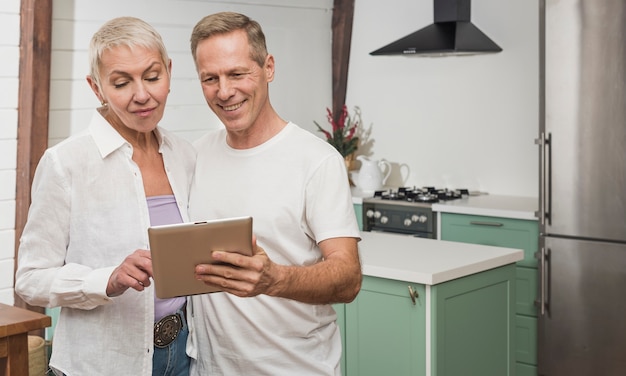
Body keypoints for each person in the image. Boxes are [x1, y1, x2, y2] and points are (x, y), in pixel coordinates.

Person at [15, 17, 195, 376]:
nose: (141, 94)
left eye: (152, 76)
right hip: (100, 363)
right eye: (121, 82)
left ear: (169, 73)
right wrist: (106, 280)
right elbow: (30, 279)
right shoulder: (66, 163)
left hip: (182, 356)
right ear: (96, 87)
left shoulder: (185, 155)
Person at [187, 11, 362, 375]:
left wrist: (275, 279)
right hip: (209, 368)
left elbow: (348, 278)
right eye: (210, 78)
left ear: (268, 67)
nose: (224, 91)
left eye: (237, 73)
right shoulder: (195, 156)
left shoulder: (316, 161)